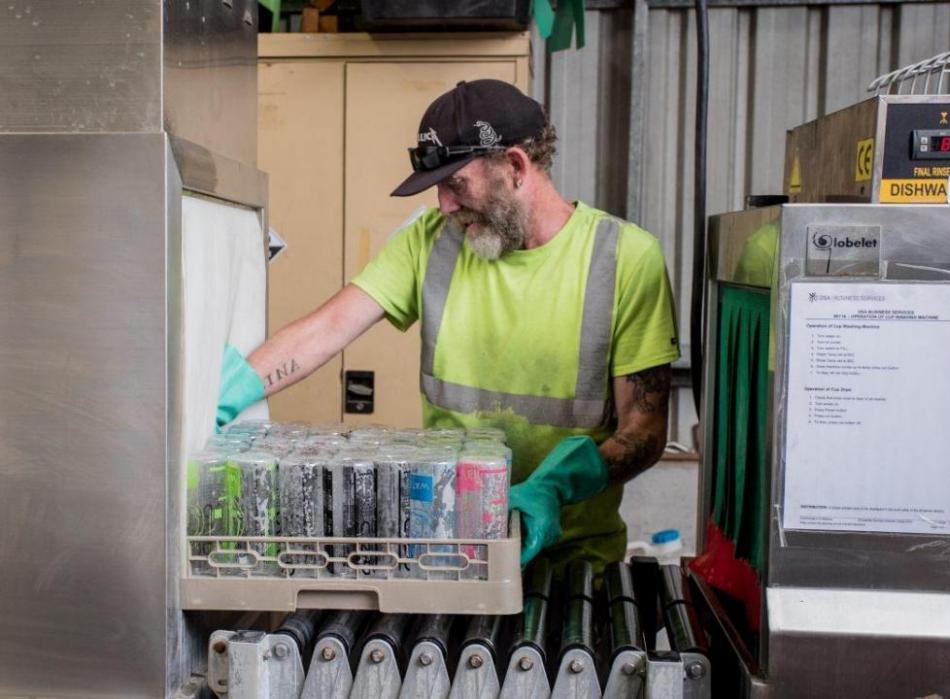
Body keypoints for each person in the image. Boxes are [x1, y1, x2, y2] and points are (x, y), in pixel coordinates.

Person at [217, 79, 680, 572]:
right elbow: (327, 328)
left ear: (516, 167)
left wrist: (555, 487)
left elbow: (644, 430)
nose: (444, 205)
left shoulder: (624, 258)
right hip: (451, 553)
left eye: (455, 184)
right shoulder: (431, 241)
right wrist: (221, 395)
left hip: (574, 561)